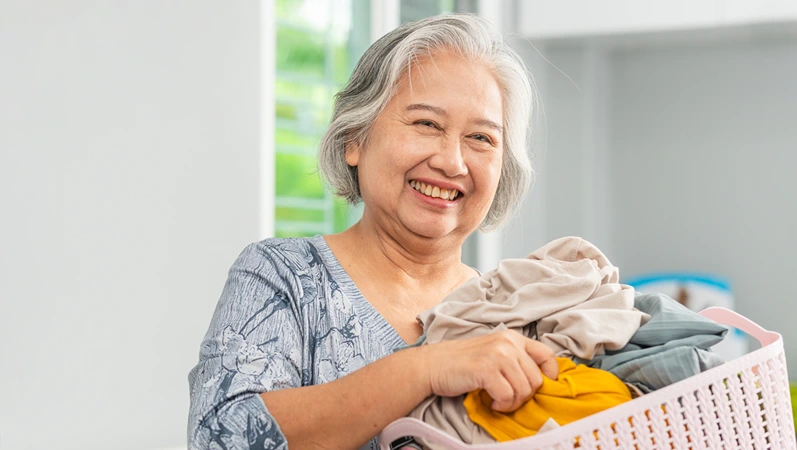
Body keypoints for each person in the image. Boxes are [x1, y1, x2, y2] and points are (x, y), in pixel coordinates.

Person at [187, 13, 558, 450]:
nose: (452, 163)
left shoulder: (519, 315)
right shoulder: (282, 277)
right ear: (354, 139)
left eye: (481, 138)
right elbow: (221, 437)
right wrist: (424, 369)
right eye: (427, 124)